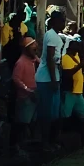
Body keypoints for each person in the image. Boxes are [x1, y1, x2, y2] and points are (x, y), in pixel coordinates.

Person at [34, 10, 65, 151]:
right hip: (46, 79)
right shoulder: (51, 35)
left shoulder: (54, 35)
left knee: (54, 113)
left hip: (53, 78)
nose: (63, 23)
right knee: (46, 113)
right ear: (54, 21)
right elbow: (50, 59)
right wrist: (53, 80)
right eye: (61, 20)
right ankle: (44, 143)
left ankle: (52, 141)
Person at [61, 40, 84, 147]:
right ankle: (62, 140)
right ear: (70, 48)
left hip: (79, 92)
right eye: (75, 49)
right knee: (64, 116)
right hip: (69, 92)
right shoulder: (65, 58)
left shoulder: (77, 56)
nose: (77, 50)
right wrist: (79, 66)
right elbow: (67, 74)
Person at [12, 37, 38, 153]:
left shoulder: (33, 60)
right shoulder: (21, 62)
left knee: (31, 122)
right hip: (25, 97)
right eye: (33, 48)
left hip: (34, 95)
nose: (35, 50)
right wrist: (28, 90)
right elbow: (16, 79)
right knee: (22, 123)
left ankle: (27, 144)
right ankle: (16, 146)